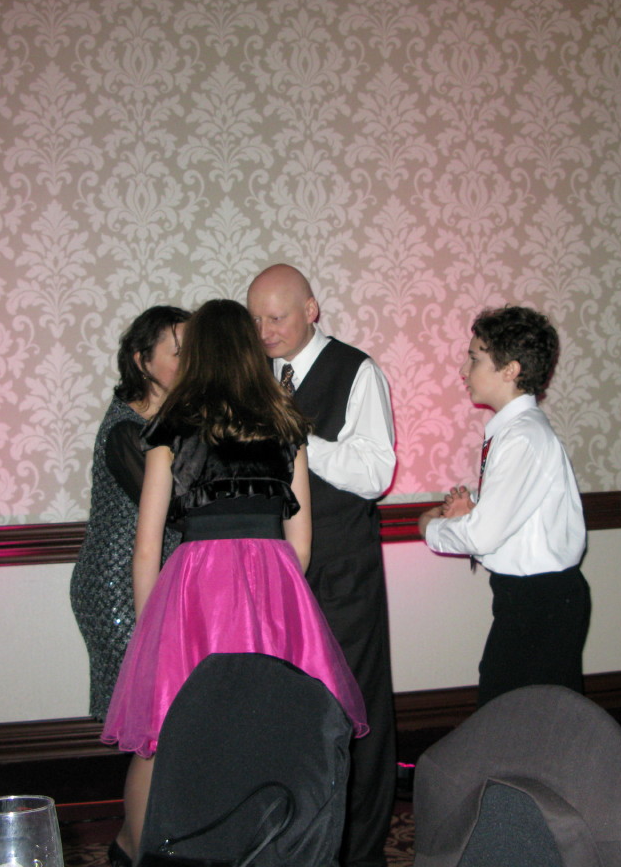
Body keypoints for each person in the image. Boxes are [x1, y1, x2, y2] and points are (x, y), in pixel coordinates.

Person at [100, 299, 368, 860]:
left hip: (195, 589)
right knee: (268, 728)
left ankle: (137, 848)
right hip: (269, 588)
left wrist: (152, 629)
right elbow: (301, 544)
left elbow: (147, 546)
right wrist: (275, 595)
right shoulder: (285, 424)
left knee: (164, 735)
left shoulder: (172, 427)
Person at [246, 264, 397, 867]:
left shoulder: (357, 372)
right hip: (272, 574)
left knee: (356, 712)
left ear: (311, 310)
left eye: (276, 317)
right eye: (255, 319)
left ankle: (361, 851)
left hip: (341, 573)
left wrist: (298, 439)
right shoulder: (253, 377)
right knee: (287, 715)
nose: (264, 332)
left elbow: (376, 473)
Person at [418, 305, 590, 707]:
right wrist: (473, 511)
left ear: (510, 369)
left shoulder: (522, 437)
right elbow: (518, 521)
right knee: (522, 716)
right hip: (532, 599)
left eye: (475, 358)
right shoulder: (517, 432)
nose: (463, 370)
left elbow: (484, 536)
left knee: (519, 717)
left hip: (540, 602)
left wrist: (429, 526)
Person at [71, 304, 191, 721]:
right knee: (147, 716)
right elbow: (179, 512)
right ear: (142, 361)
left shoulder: (170, 421)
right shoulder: (127, 430)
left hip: (152, 579)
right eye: (178, 353)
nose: (191, 363)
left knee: (163, 716)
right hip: (118, 584)